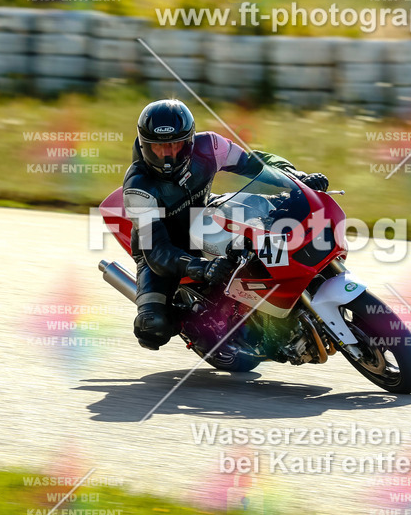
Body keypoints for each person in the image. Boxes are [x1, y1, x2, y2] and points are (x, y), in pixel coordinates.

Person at [123, 99, 329, 350]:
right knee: (152, 327)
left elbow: (256, 163)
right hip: (161, 246)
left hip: (204, 216)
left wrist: (297, 178)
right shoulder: (138, 188)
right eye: (158, 147)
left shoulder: (210, 145)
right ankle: (197, 322)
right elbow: (157, 252)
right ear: (144, 145)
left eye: (175, 146)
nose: (167, 156)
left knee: (272, 213)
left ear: (189, 142)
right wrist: (201, 267)